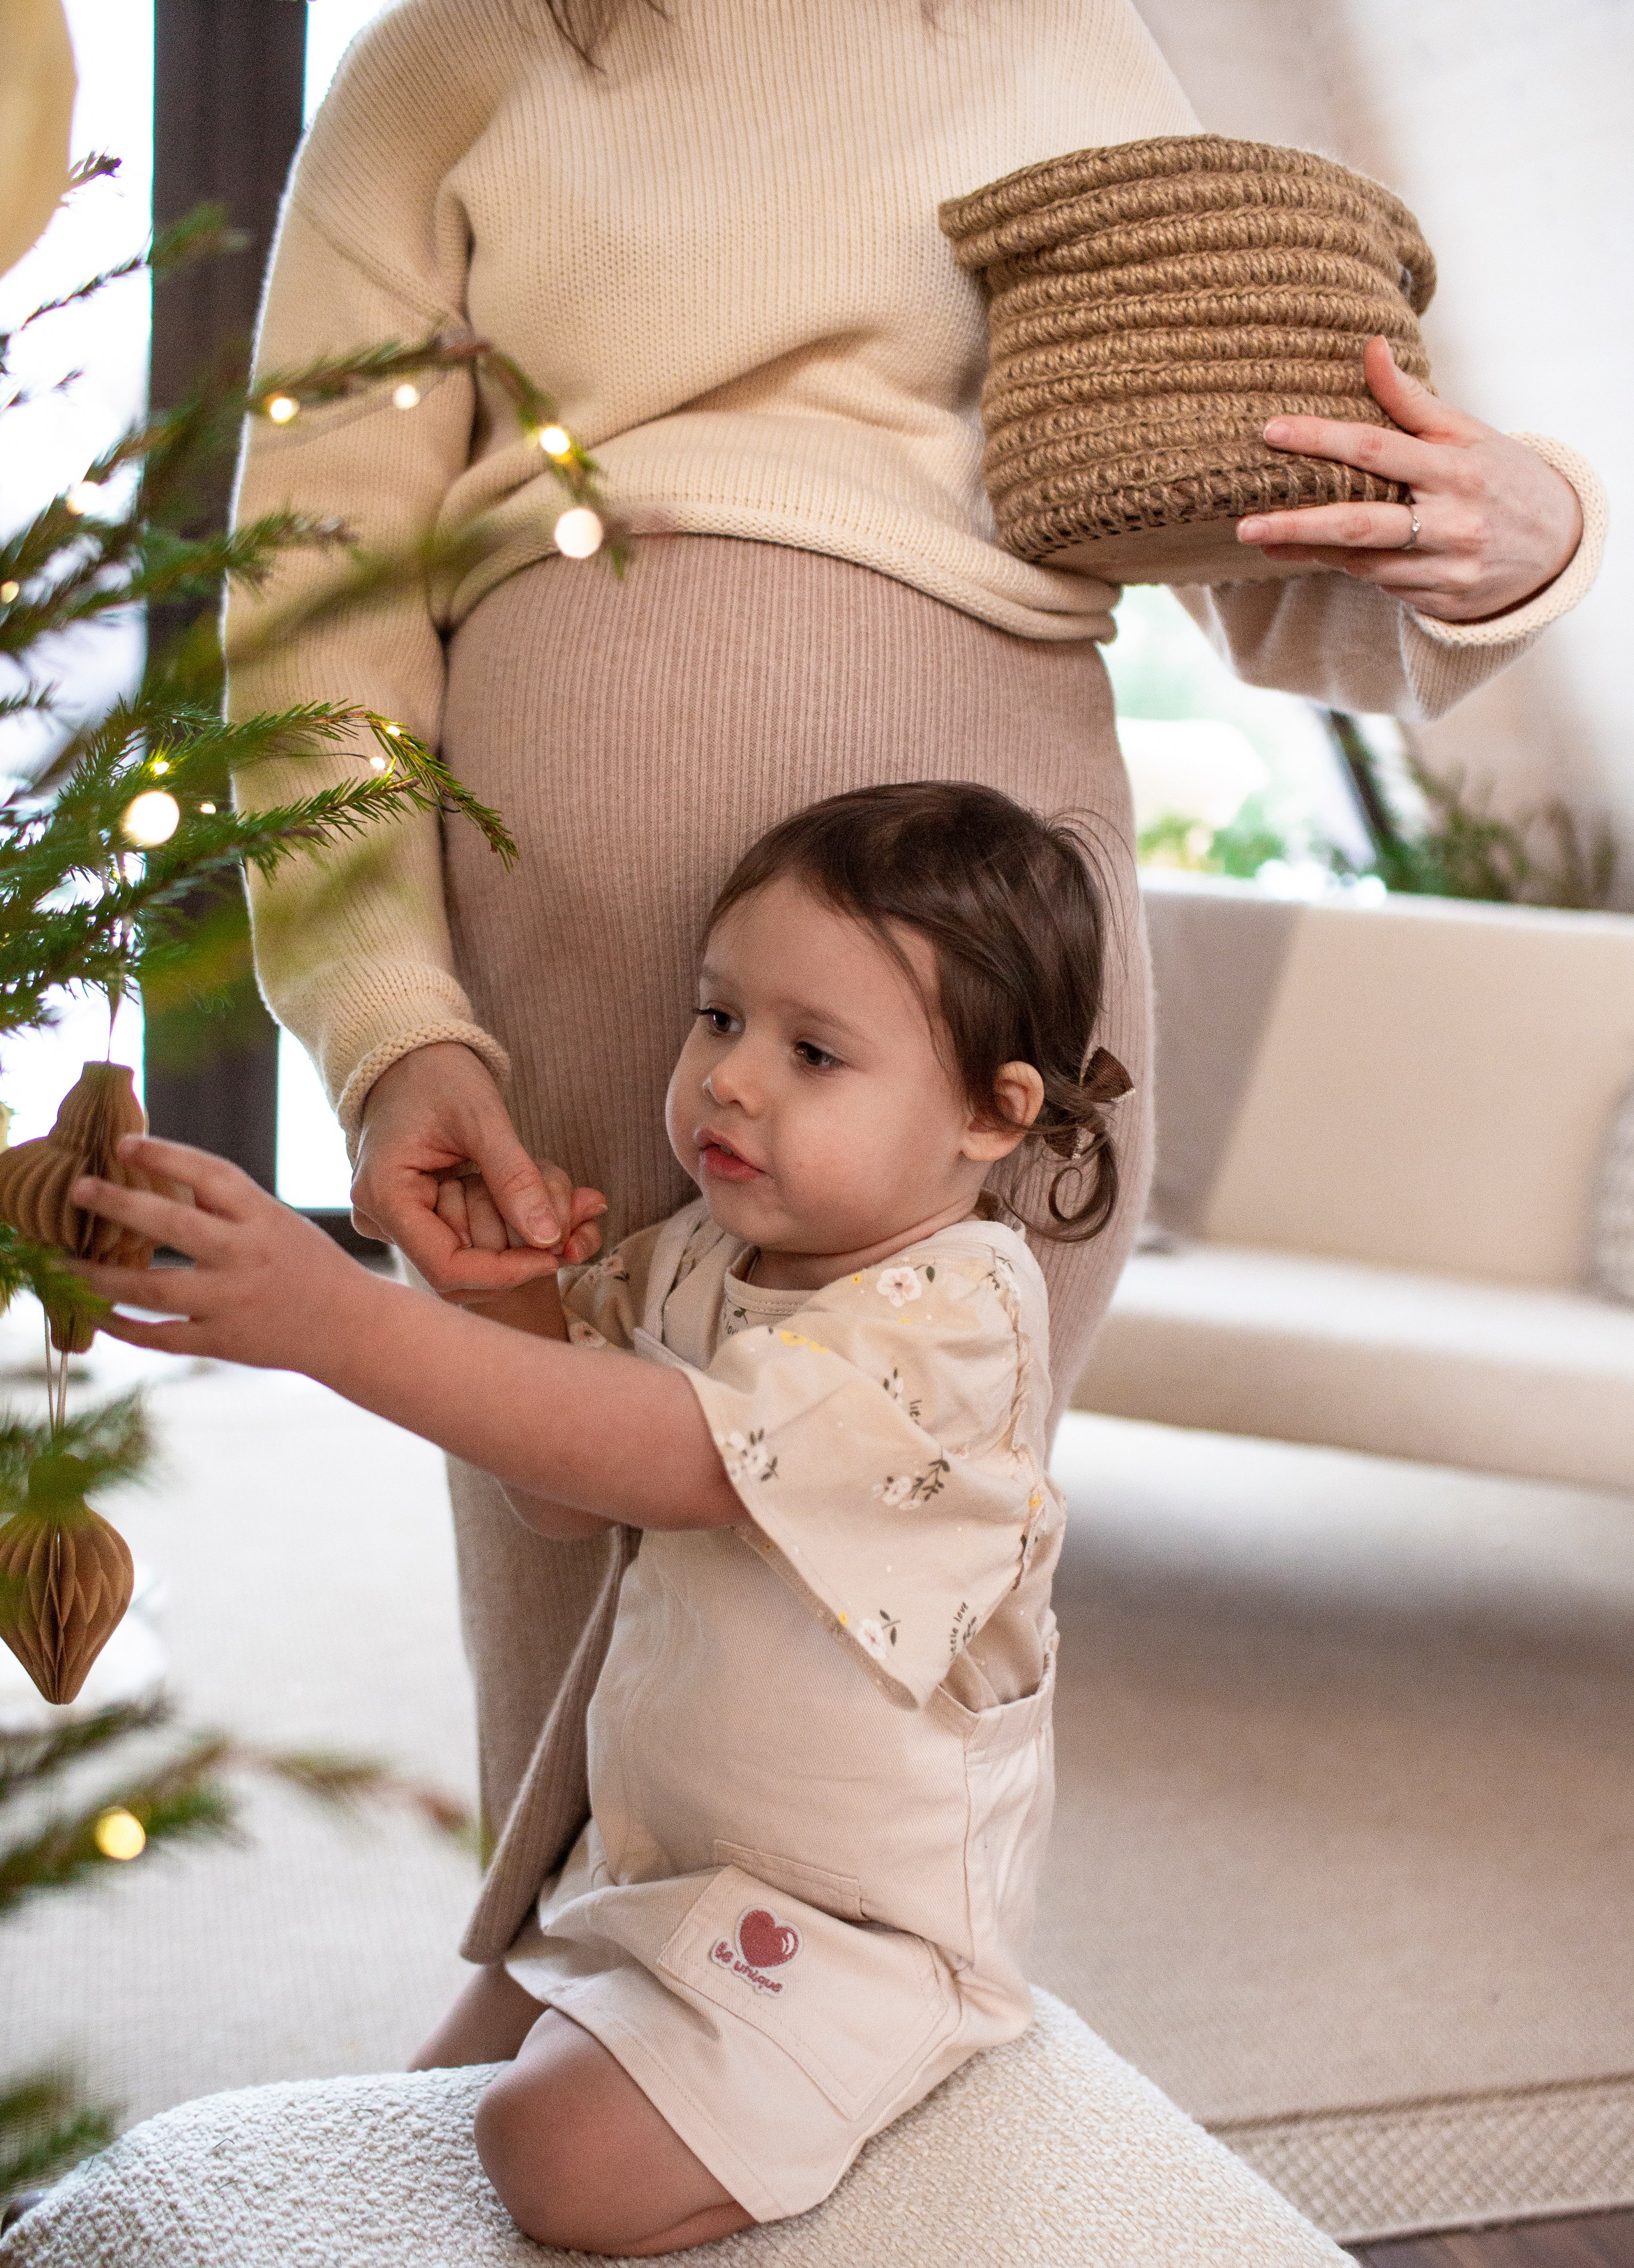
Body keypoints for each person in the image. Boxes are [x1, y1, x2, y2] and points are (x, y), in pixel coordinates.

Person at [229, 0, 1604, 1927]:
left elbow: (1286, 536)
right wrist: (385, 1025)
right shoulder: (452, 61)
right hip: (562, 981)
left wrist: (1518, 529)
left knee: (893, 1615)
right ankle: (556, 2070)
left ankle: (847, 2088)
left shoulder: (1064, 38)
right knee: (568, 1583)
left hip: (993, 997)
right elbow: (311, 618)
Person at [75, 782, 1125, 2256]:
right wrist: (497, 1280)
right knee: (407, 2114)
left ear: (986, 1116)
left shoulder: (957, 1317)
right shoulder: (703, 1252)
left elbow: (679, 1457)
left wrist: (329, 1318)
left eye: (811, 1051)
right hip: (654, 1862)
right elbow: (561, 1489)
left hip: (853, 1928)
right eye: (716, 1019)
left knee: (539, 2148)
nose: (732, 1081)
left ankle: (864, 2143)